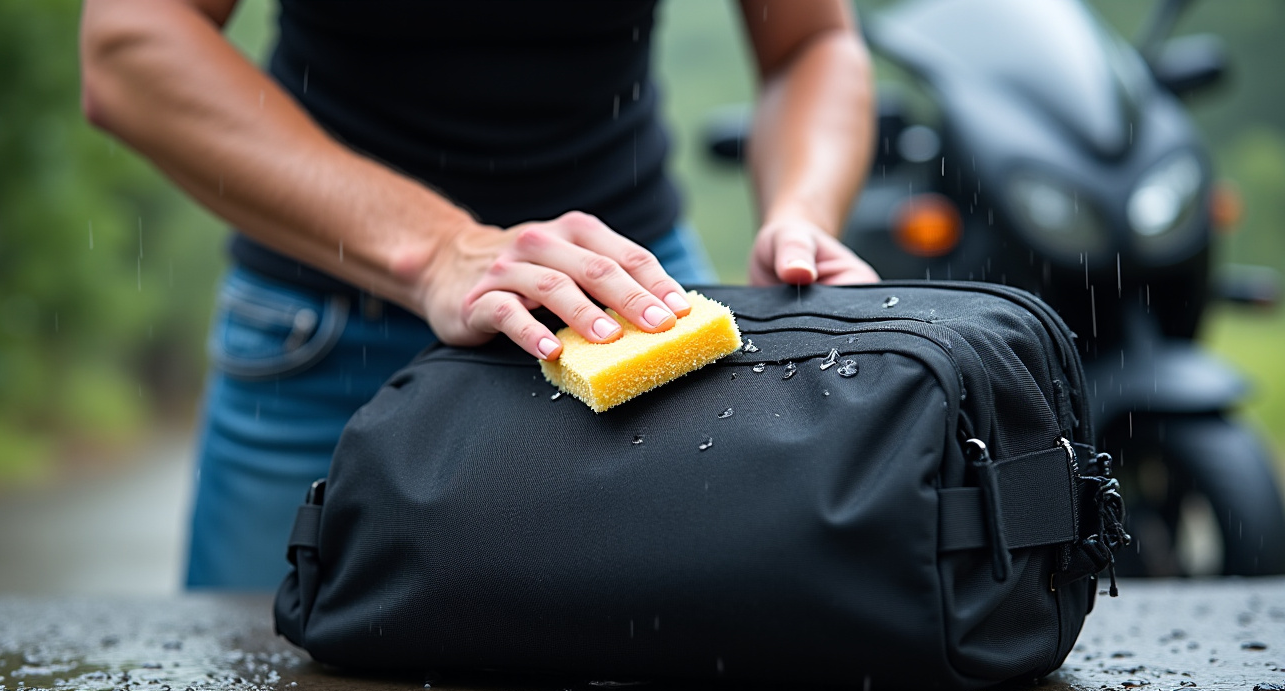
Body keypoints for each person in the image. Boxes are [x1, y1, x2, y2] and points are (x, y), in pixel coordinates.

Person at [79, 0, 878, 590]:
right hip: (325, 336)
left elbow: (809, 43)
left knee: (666, 687)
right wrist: (437, 252)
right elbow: (132, 42)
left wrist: (800, 211)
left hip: (633, 315)